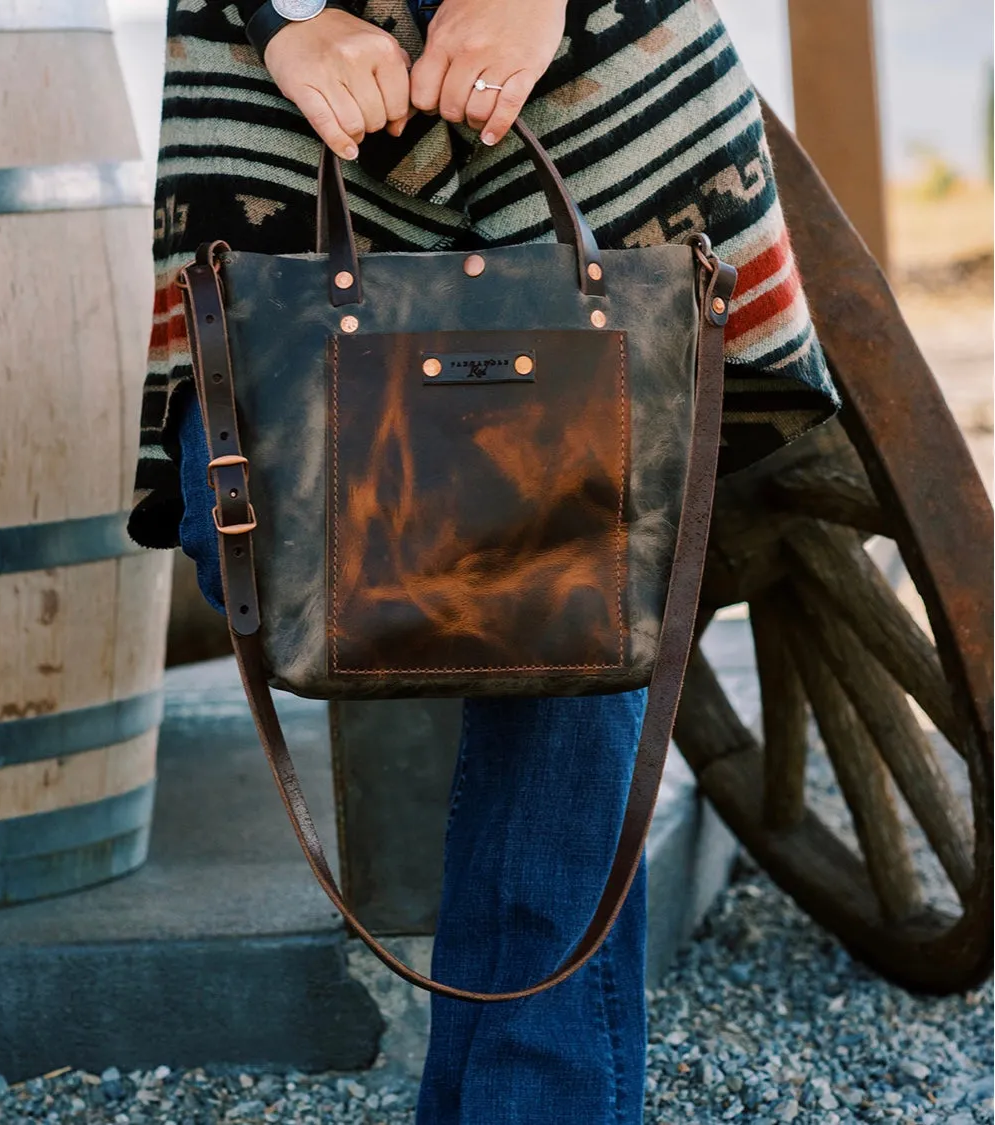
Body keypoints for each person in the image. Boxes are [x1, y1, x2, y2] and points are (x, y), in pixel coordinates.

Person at [127, 2, 838, 1121]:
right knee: (256, 546)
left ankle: (534, 1100)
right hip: (274, 94)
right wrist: (284, 21)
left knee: (576, 599)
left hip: (576, 81)